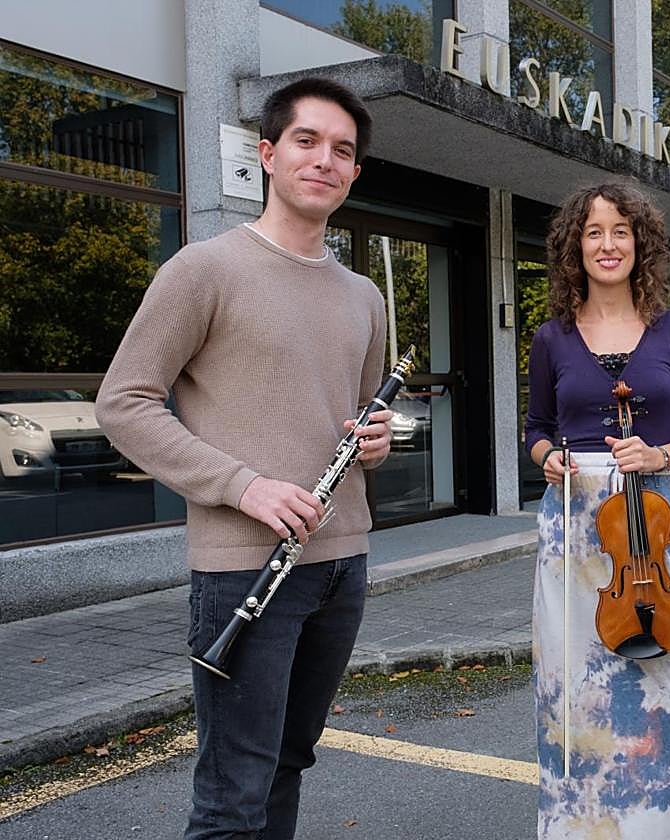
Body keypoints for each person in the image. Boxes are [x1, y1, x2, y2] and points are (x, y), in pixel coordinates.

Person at [96, 77, 390, 840]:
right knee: (234, 795)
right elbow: (123, 401)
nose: (325, 160)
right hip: (243, 570)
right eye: (306, 141)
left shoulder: (364, 295)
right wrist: (243, 485)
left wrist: (379, 442)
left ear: (355, 172)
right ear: (267, 152)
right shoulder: (204, 269)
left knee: (290, 763)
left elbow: (357, 422)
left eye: (343, 151)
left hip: (342, 563)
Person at [524, 182, 670, 840]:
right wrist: (547, 455)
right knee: (576, 682)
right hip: (577, 529)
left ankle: (668, 821)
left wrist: (660, 455)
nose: (608, 244)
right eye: (594, 232)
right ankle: (583, 824)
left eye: (620, 232)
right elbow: (536, 429)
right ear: (574, 248)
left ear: (642, 245)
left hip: (658, 525)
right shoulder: (551, 338)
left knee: (667, 676)